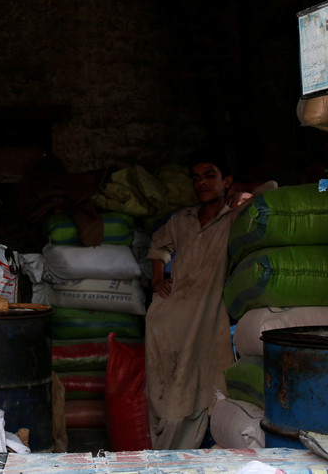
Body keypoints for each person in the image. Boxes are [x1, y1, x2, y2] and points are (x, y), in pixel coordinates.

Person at [144, 149, 244, 450]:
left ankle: (192, 448)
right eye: (196, 178)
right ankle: (166, 452)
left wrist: (239, 193)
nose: (201, 183)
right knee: (165, 384)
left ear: (226, 181)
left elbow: (271, 189)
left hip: (208, 309)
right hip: (169, 311)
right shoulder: (182, 219)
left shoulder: (233, 215)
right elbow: (158, 245)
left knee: (204, 379)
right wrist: (158, 277)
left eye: (209, 176)